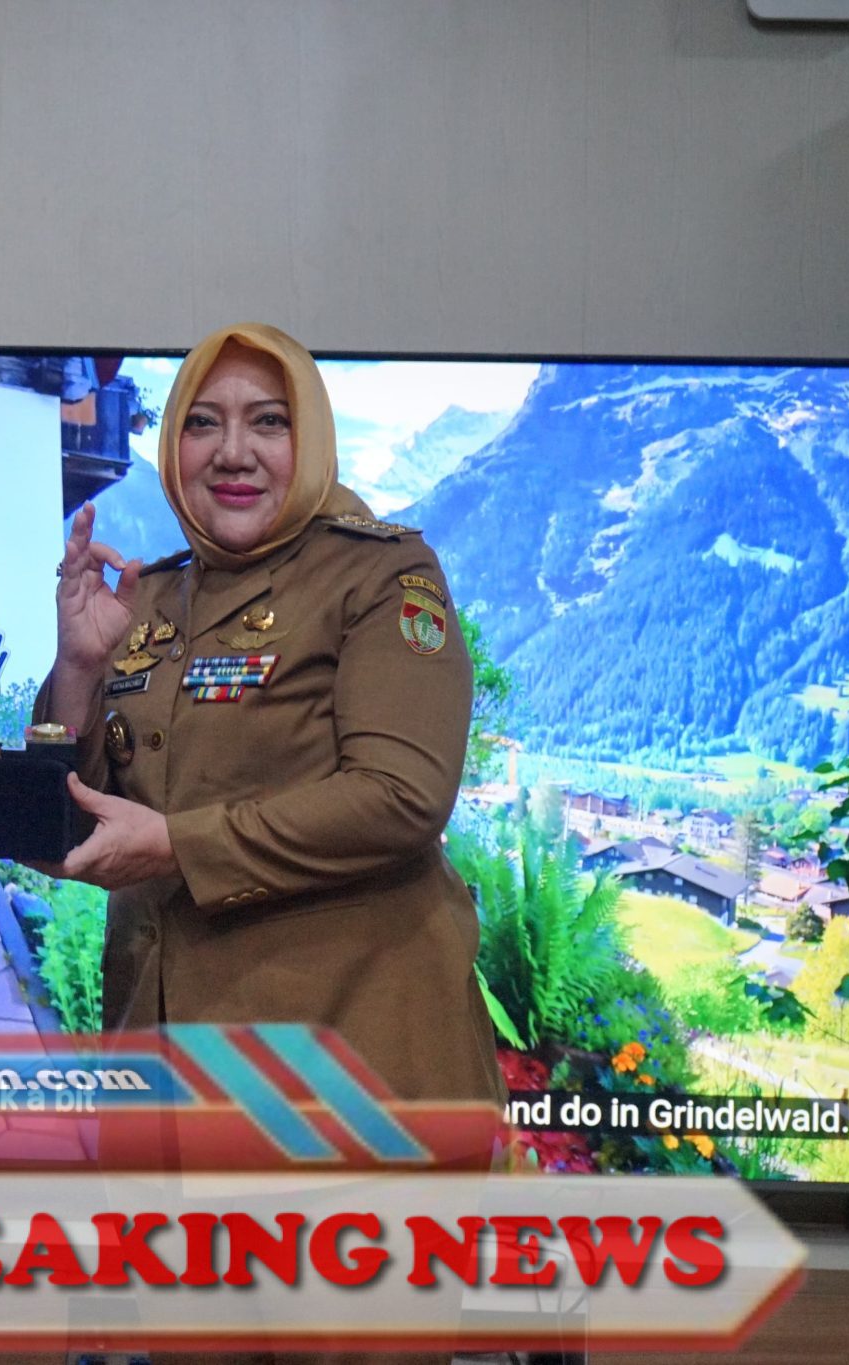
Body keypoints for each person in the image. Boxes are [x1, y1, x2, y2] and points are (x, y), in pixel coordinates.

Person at [39, 323, 503, 1364]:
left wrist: (179, 845)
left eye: (268, 422)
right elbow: (75, 817)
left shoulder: (380, 576)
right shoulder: (153, 596)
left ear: (312, 440)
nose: (232, 451)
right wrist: (77, 671)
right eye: (202, 423)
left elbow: (401, 794)